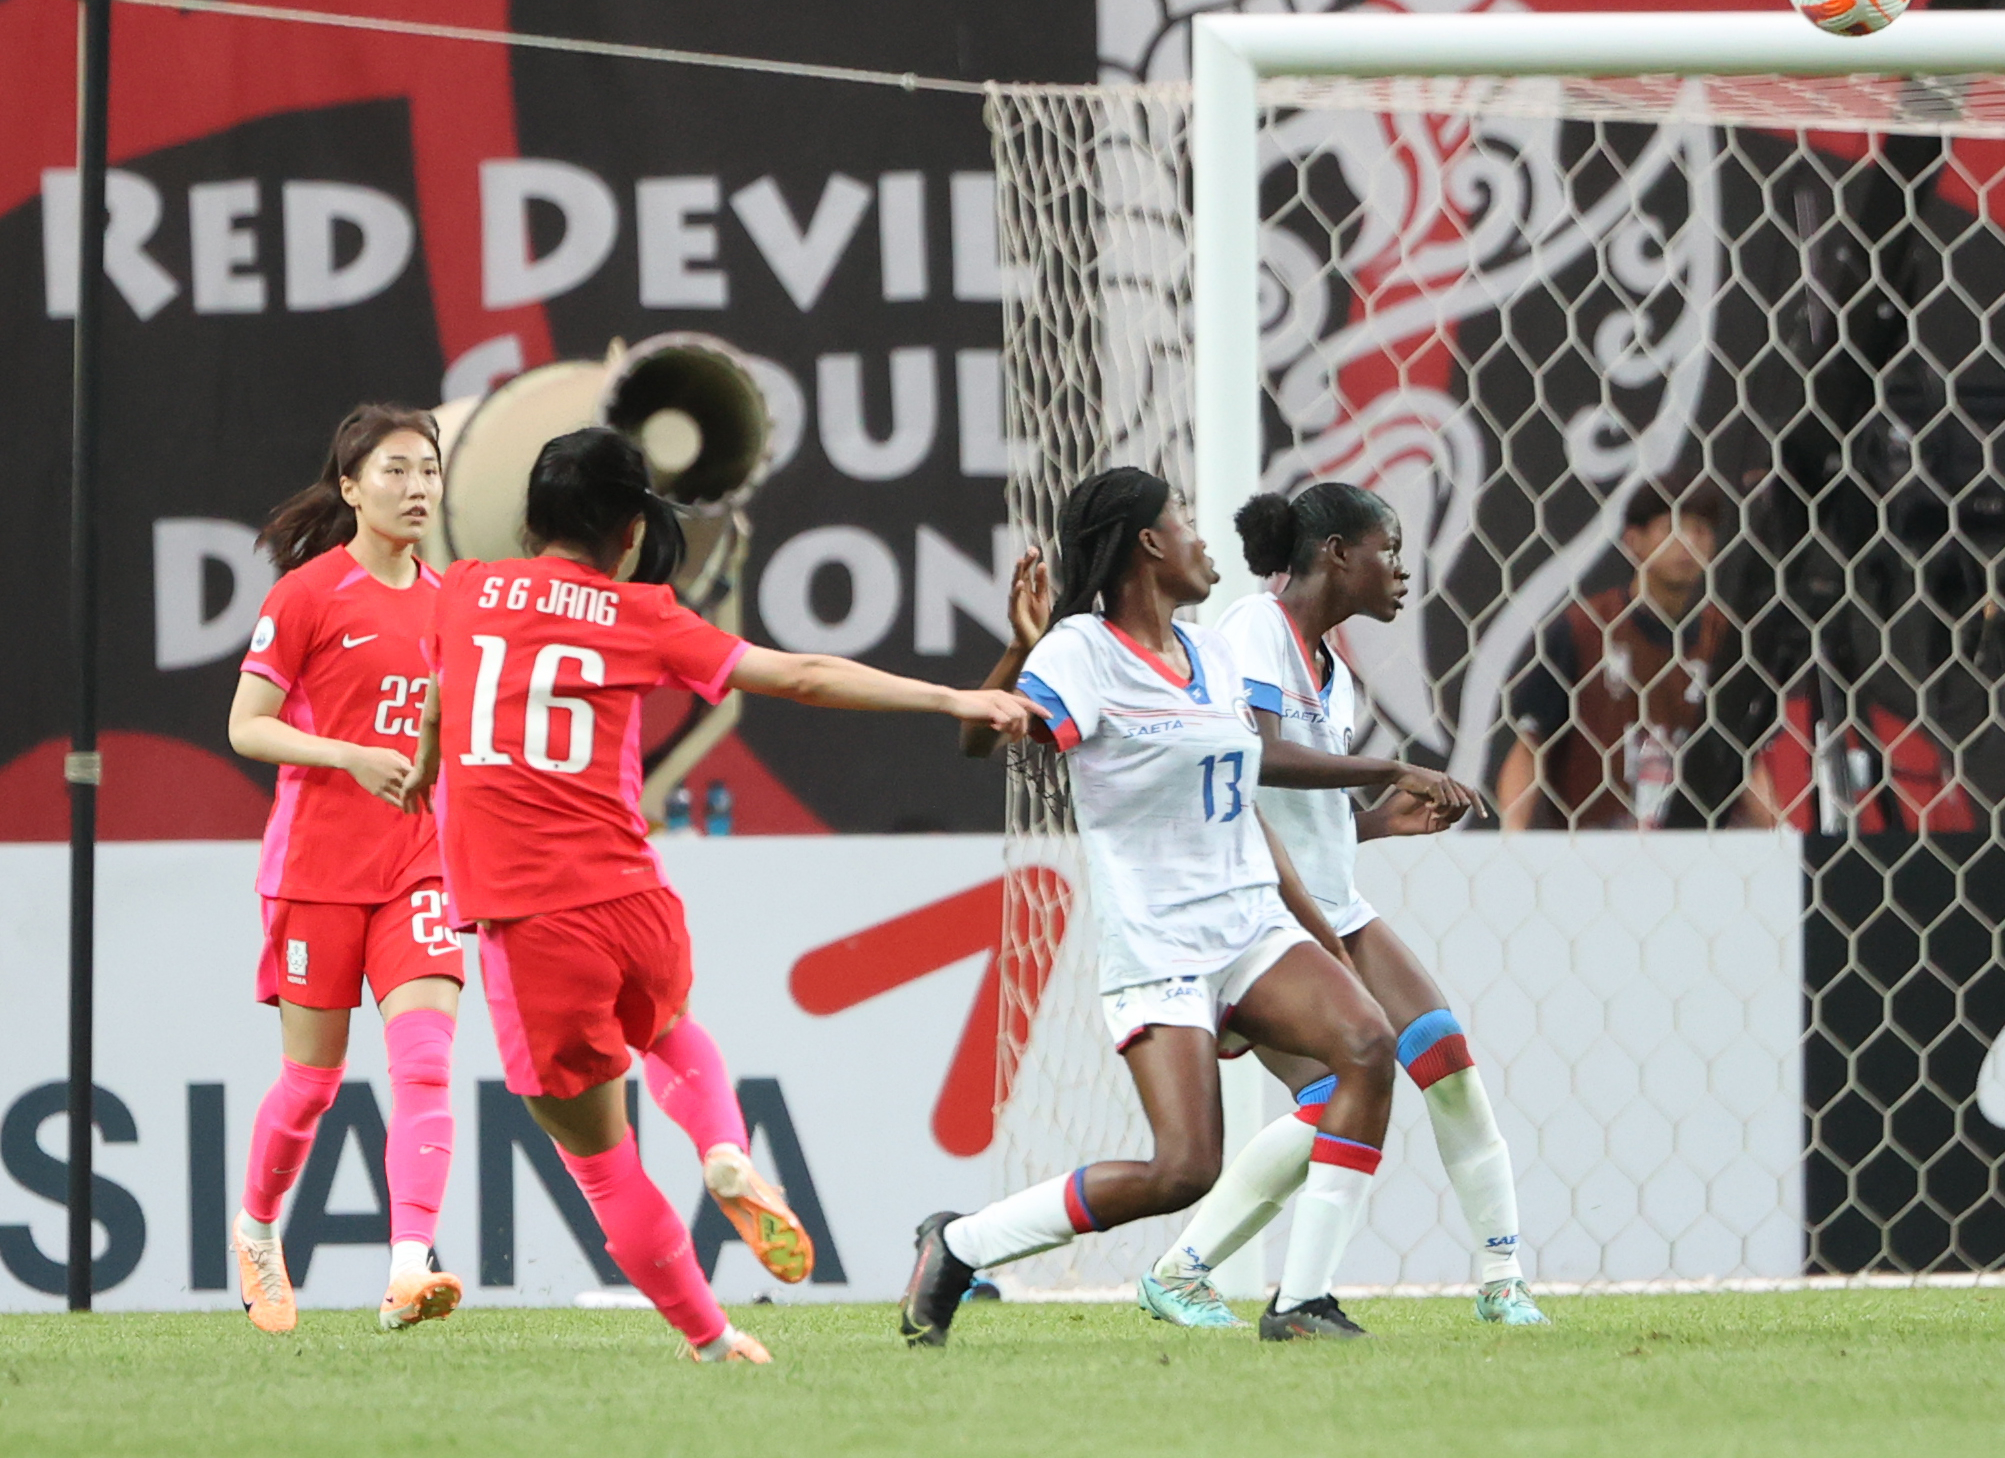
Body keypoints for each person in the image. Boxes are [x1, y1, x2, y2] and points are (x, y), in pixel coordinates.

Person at [401, 426, 1030, 1363]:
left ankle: (711, 1336)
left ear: (530, 517)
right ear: (627, 531)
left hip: (530, 923)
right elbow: (804, 676)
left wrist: (421, 767)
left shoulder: (457, 594)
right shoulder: (641, 613)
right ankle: (724, 1146)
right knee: (669, 1028)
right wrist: (953, 698)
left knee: (604, 1165)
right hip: (633, 900)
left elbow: (444, 697)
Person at [907, 467, 1403, 1345]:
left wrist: (1321, 935)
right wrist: (1021, 649)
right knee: (1184, 1170)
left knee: (1367, 1044)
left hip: (1250, 922)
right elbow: (976, 738)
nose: (1205, 540)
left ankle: (1303, 1299)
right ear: (1147, 543)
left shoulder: (1213, 653)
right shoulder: (1078, 653)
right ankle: (959, 1243)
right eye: (1185, 519)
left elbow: (1243, 804)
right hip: (1163, 943)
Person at [1125, 482, 1543, 1326]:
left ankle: (1504, 1279)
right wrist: (1389, 769)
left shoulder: (1338, 678)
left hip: (1333, 903)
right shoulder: (1252, 630)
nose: (1401, 571)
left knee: (1446, 1056)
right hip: (1261, 919)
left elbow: (1310, 820)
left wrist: (1377, 823)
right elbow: (1255, 758)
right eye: (1388, 549)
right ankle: (1194, 1272)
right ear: (1336, 553)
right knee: (1338, 1095)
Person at [225, 405, 466, 1335]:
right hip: (317, 871)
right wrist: (347, 754)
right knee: (314, 1084)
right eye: (397, 470)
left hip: (421, 865)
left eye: (429, 470)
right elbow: (247, 725)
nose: (417, 488)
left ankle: (410, 1267)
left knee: (425, 1063)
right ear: (352, 486)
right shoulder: (307, 594)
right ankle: (255, 1230)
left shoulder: (449, 602)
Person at [1496, 480, 1762, 829]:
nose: (1688, 543)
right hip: (1596, 852)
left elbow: (1746, 763)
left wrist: (1778, 840)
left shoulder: (1726, 639)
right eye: (1672, 529)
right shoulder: (1583, 628)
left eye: (1700, 530)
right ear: (1633, 541)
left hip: (1697, 852)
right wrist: (1510, 838)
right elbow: (1530, 744)